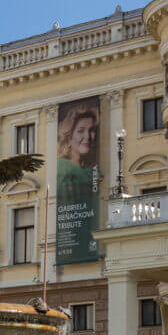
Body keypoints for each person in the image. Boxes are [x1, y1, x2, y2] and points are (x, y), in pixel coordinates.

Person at [56, 102, 100, 261]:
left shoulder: (90, 171)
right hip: (72, 248)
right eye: (81, 131)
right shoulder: (64, 171)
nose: (88, 137)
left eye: (91, 131)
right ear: (68, 135)